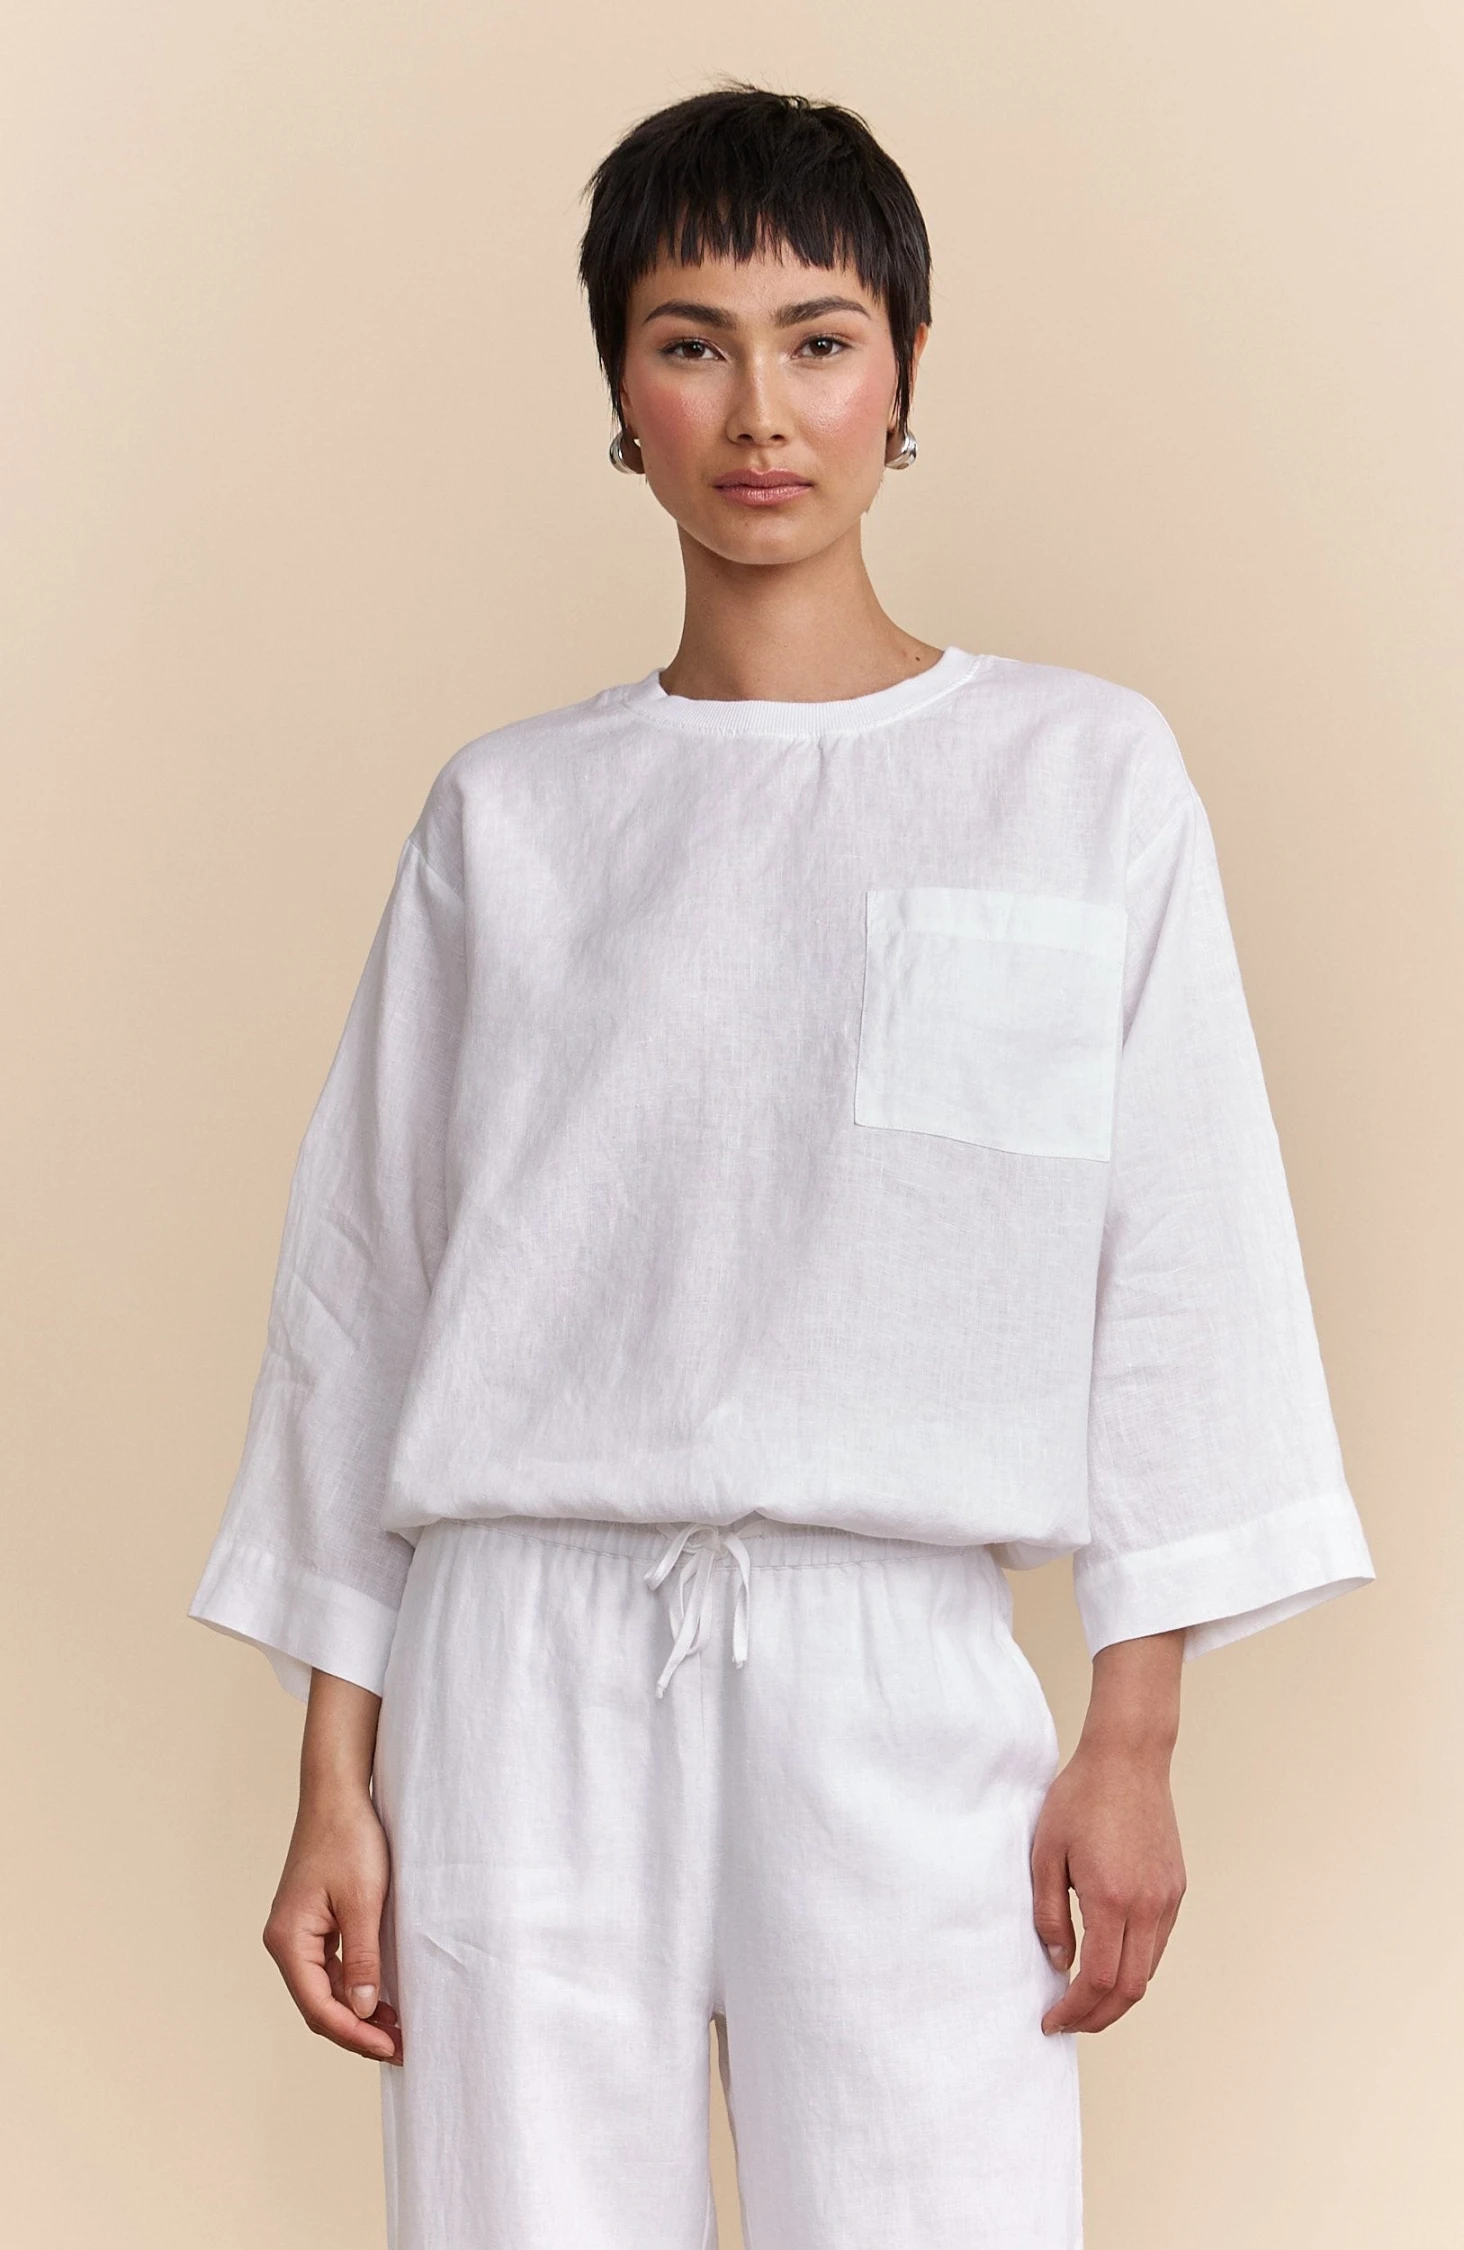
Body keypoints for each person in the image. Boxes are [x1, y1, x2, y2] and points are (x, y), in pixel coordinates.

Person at [189, 83, 1376, 2250]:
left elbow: (1181, 1254)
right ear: (618, 392)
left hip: (896, 1661)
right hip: (522, 1667)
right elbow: (368, 1288)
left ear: (903, 368)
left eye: (818, 339)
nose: (759, 411)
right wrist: (334, 1774)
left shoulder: (1076, 779)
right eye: (691, 341)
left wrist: (1132, 1736)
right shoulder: (509, 820)